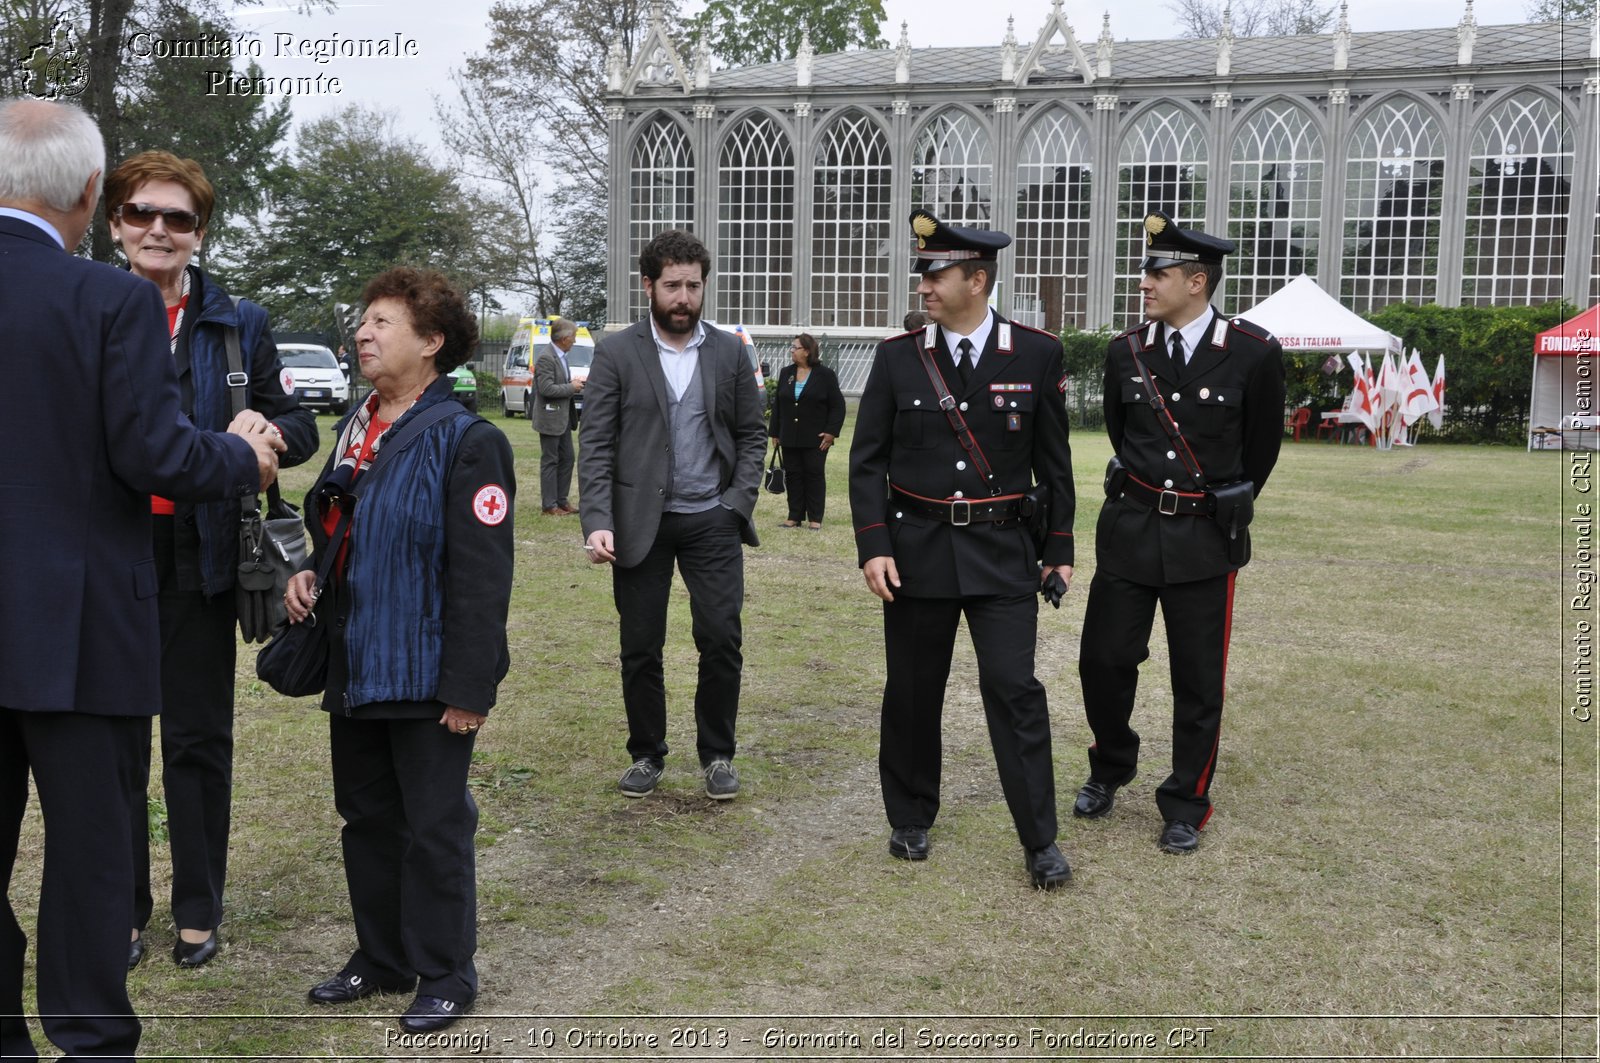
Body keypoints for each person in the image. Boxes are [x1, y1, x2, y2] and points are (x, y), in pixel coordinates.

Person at [0, 98, 278, 1063]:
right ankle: (88, 1039)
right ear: (91, 197)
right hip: (79, 626)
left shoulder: (208, 313)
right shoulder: (106, 300)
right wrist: (242, 456)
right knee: (88, 849)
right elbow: (155, 452)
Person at [284, 267, 515, 1034]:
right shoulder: (359, 422)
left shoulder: (468, 439)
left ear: (433, 341)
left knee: (434, 825)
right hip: (355, 663)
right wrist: (307, 571)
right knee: (366, 817)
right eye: (364, 320)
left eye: (383, 322)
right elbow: (334, 527)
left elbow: (484, 578)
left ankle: (446, 970)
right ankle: (382, 956)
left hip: (426, 669)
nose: (363, 333)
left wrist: (469, 687)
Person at [105, 150, 317, 973]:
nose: (158, 230)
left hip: (202, 555)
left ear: (199, 231)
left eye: (178, 218)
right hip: (111, 556)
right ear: (117, 222)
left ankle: (199, 906)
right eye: (141, 214)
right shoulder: (89, 307)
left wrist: (262, 436)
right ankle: (120, 909)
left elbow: (295, 425)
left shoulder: (239, 322)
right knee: (116, 742)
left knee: (197, 740)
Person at [848, 209, 1076, 891]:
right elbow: (867, 463)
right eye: (923, 272)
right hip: (915, 550)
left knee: (1015, 690)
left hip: (1003, 552)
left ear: (976, 279)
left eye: (935, 272)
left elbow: (1054, 462)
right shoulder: (897, 357)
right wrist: (873, 545)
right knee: (913, 692)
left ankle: (1040, 839)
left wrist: (1059, 546)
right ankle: (911, 814)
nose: (924, 284)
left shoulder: (1036, 353)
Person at [1074, 210, 1286, 855]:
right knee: (1103, 663)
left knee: (1198, 680)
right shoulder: (1126, 351)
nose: (1144, 284)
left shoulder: (1252, 353)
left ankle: (1187, 799)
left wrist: (1210, 502)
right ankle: (1111, 765)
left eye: (1157, 273)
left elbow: (1260, 453)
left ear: (1196, 281)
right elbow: (1121, 431)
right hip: (1132, 530)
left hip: (1202, 539)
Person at [577, 229, 766, 802]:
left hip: (712, 518)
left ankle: (718, 754)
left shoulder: (731, 352)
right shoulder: (617, 352)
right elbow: (597, 443)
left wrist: (736, 504)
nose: (683, 297)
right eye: (672, 286)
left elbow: (753, 436)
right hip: (640, 523)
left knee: (721, 639)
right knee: (640, 645)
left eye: (693, 285)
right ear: (648, 286)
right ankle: (646, 753)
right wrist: (598, 519)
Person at [768, 333, 846, 530]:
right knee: (793, 475)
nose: (792, 351)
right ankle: (794, 516)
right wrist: (775, 432)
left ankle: (815, 517)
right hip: (789, 435)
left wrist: (831, 432)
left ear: (807, 351)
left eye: (795, 347)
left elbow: (838, 406)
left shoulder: (825, 375)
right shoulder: (787, 372)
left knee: (814, 475)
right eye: (792, 348)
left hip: (816, 437)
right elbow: (778, 403)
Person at [532, 317, 584, 515]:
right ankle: (549, 505)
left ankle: (562, 501)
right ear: (564, 338)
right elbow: (545, 389)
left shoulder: (561, 356)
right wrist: (571, 387)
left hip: (562, 420)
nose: (575, 341)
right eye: (574, 337)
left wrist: (573, 385)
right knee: (550, 461)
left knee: (567, 459)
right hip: (550, 420)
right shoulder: (546, 358)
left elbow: (556, 385)